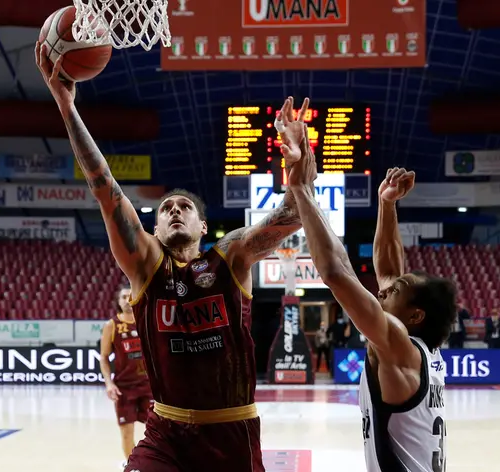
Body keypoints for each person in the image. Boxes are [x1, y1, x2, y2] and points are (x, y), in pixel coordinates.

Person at [37, 43, 312, 472]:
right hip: (165, 433)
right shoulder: (146, 265)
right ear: (154, 229)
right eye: (166, 209)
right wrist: (66, 105)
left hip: (231, 432)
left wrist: (299, 171)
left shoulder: (231, 257)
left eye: (185, 207)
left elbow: (293, 216)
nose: (174, 210)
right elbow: (103, 185)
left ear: (204, 227)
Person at [286, 132, 457, 472]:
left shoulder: (399, 347)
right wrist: (386, 204)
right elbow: (391, 271)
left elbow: (336, 274)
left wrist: (302, 190)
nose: (382, 290)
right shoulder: (425, 352)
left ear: (415, 315)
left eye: (394, 292)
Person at [99, 287, 154, 467]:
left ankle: (154, 463)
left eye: (131, 296)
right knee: (126, 433)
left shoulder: (146, 319)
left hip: (149, 385)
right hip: (124, 387)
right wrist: (109, 383)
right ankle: (133, 465)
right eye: (123, 296)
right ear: (118, 300)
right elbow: (104, 357)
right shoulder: (112, 325)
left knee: (156, 429)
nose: (127, 299)